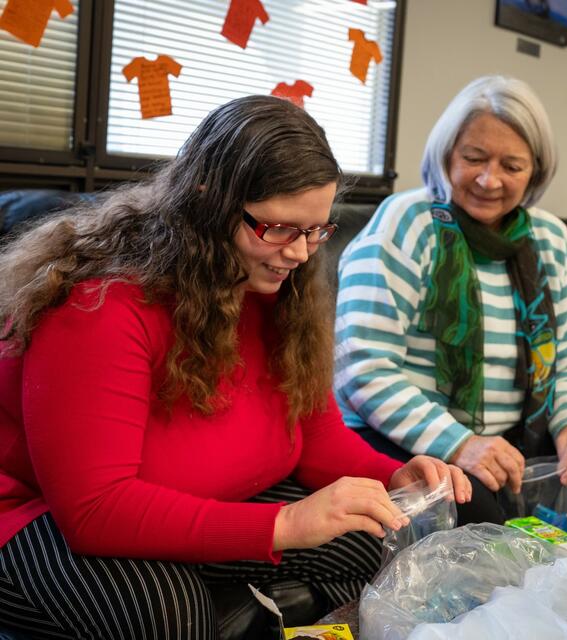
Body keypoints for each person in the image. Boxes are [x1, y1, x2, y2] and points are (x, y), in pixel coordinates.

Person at [0, 96, 469, 638]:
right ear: (208, 203)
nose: (299, 253)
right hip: (44, 517)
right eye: (279, 228)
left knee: (382, 534)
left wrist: (391, 474)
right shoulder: (101, 306)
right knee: (166, 614)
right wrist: (285, 525)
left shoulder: (274, 289)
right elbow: (96, 510)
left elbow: (314, 437)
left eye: (316, 231)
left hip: (198, 502)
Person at [334, 75, 567, 536]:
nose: (488, 179)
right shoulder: (406, 224)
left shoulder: (550, 239)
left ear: (536, 170)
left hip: (509, 438)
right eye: (473, 158)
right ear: (446, 153)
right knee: (480, 528)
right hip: (405, 439)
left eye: (511, 166)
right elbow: (363, 368)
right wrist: (460, 444)